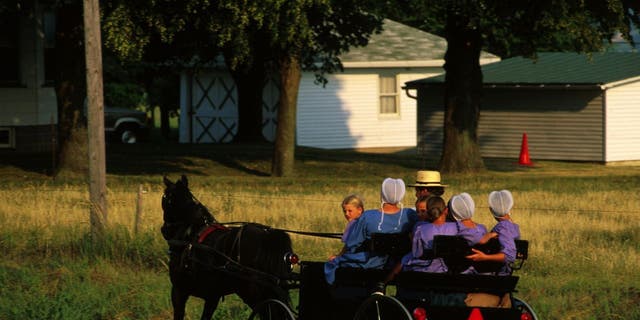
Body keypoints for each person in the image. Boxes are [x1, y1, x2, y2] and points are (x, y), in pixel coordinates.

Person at [324, 178, 417, 285]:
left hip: (372, 263)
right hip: (398, 263)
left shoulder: (368, 216)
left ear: (382, 194)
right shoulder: (410, 215)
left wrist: (340, 256)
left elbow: (353, 243)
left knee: (331, 264)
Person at [466, 189, 520, 276]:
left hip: (496, 274)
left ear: (491, 210)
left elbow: (509, 256)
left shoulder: (504, 227)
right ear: (510, 207)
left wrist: (484, 257)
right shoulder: (512, 226)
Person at [403, 196, 457, 273]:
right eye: (417, 212)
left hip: (424, 266)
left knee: (403, 261)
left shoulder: (420, 228)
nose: (419, 214)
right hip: (443, 267)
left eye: (423, 211)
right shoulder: (452, 227)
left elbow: (417, 252)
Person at [329, 194, 364, 261]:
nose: (346, 214)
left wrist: (338, 257)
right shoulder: (363, 221)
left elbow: (348, 247)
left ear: (359, 210)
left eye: (350, 211)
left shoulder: (354, 224)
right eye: (344, 211)